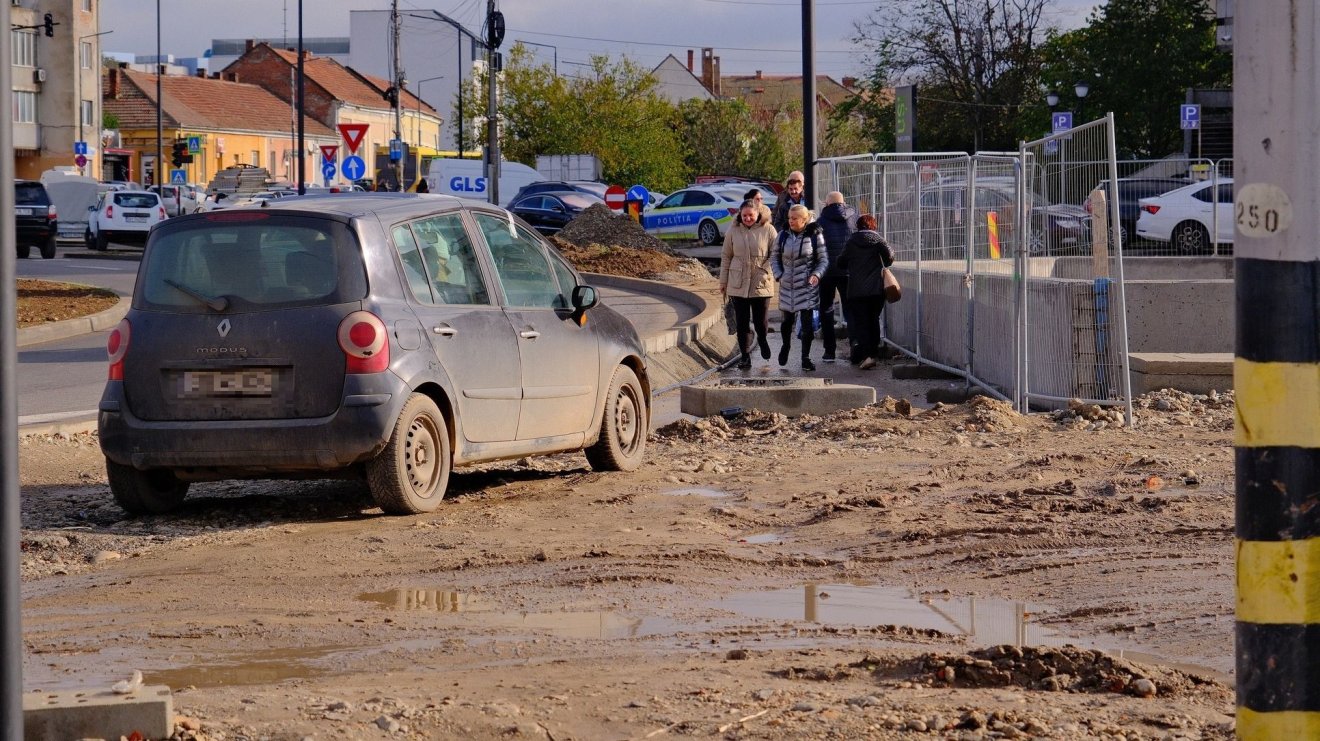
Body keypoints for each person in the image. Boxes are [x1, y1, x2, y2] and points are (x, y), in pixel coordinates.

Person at [719, 200, 778, 369]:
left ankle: (762, 339)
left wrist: (764, 270)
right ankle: (745, 356)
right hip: (737, 282)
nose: (747, 218)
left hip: (761, 282)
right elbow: (726, 256)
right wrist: (723, 281)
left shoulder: (769, 229)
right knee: (742, 323)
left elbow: (775, 254)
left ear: (757, 213)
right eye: (744, 215)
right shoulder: (733, 230)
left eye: (750, 215)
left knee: (761, 321)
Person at [771, 204, 828, 371]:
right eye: (789, 218)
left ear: (804, 220)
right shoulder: (782, 235)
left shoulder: (814, 235)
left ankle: (805, 357)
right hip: (787, 285)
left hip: (807, 286)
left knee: (807, 324)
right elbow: (774, 257)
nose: (791, 221)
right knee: (786, 321)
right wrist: (779, 274)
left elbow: (823, 259)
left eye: (794, 218)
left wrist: (816, 274)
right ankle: (786, 345)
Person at [836, 213, 896, 370]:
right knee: (873, 319)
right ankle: (873, 352)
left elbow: (840, 262)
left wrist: (852, 264)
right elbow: (889, 257)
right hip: (876, 289)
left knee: (861, 322)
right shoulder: (878, 240)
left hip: (856, 290)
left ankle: (866, 355)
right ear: (873, 226)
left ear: (858, 226)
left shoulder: (851, 241)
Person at [816, 191, 857, 363]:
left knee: (826, 309)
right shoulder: (853, 217)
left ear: (826, 204)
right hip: (848, 269)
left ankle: (829, 351)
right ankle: (855, 346)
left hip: (826, 271)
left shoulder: (821, 221)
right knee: (850, 309)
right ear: (843, 203)